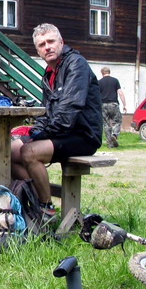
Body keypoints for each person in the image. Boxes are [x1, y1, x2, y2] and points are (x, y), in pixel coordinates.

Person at [10, 23, 102, 219]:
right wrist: (35, 131)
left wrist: (42, 135)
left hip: (83, 135)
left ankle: (45, 208)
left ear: (61, 42)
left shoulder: (76, 64)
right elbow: (46, 112)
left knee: (29, 152)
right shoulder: (49, 73)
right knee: (8, 151)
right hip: (61, 133)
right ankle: (35, 198)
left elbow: (69, 110)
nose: (47, 47)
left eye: (51, 42)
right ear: (37, 51)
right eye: (42, 45)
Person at [98, 66, 127, 148]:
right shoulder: (115, 81)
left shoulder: (99, 82)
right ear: (109, 72)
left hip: (103, 105)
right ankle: (114, 135)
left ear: (102, 73)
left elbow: (96, 95)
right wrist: (124, 105)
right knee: (117, 121)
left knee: (106, 124)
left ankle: (109, 144)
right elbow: (120, 93)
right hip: (114, 104)